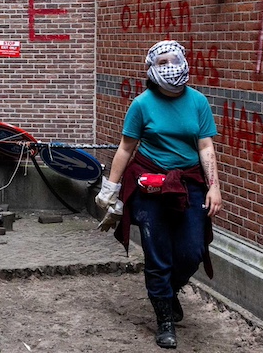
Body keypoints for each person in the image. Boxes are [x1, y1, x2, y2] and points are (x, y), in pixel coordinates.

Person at [95, 40, 222, 349]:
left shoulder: (198, 102)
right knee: (158, 253)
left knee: (192, 250)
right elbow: (126, 148)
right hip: (150, 185)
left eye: (175, 58)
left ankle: (169, 291)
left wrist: (214, 185)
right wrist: (110, 189)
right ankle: (164, 318)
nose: (170, 65)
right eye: (162, 61)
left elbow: (205, 146)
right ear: (151, 70)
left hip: (189, 184)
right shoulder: (141, 105)